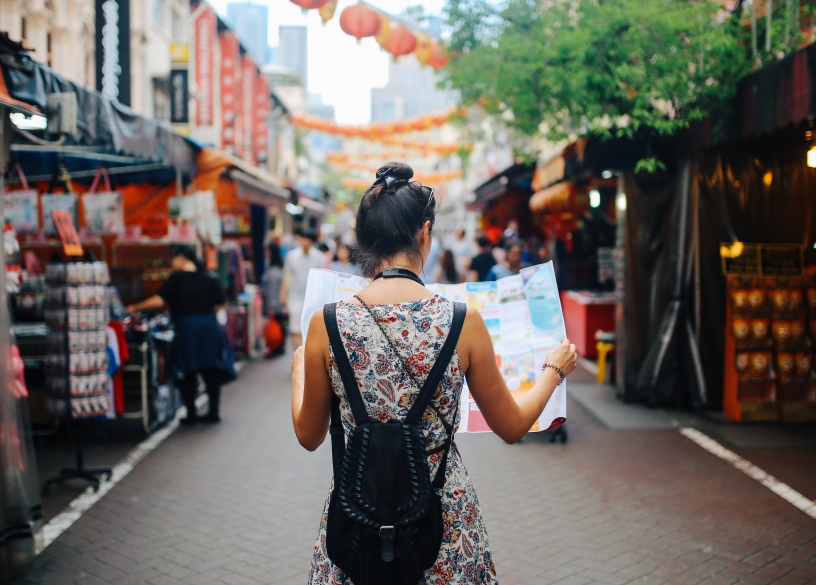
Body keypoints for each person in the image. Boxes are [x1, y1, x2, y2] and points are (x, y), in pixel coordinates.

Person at [290, 162, 578, 584]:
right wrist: (554, 369)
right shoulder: (463, 321)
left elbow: (309, 435)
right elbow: (514, 426)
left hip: (358, 520)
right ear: (424, 233)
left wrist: (300, 372)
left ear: (365, 239)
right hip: (443, 525)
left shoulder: (327, 322)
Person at [126, 245, 235, 424]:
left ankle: (191, 413)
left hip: (187, 327)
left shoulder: (177, 279)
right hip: (209, 326)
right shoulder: (208, 277)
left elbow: (159, 300)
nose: (172, 262)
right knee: (211, 370)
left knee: (188, 370)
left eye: (174, 258)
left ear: (182, 257)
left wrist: (134, 307)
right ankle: (213, 412)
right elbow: (220, 303)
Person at [281, 228, 326, 349]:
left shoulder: (319, 257)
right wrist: (283, 295)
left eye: (309, 240)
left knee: (310, 329)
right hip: (295, 297)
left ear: (312, 242)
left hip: (313, 299)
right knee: (296, 328)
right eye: (304, 239)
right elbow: (287, 276)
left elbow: (322, 278)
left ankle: (308, 358)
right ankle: (299, 357)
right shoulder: (291, 256)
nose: (306, 242)